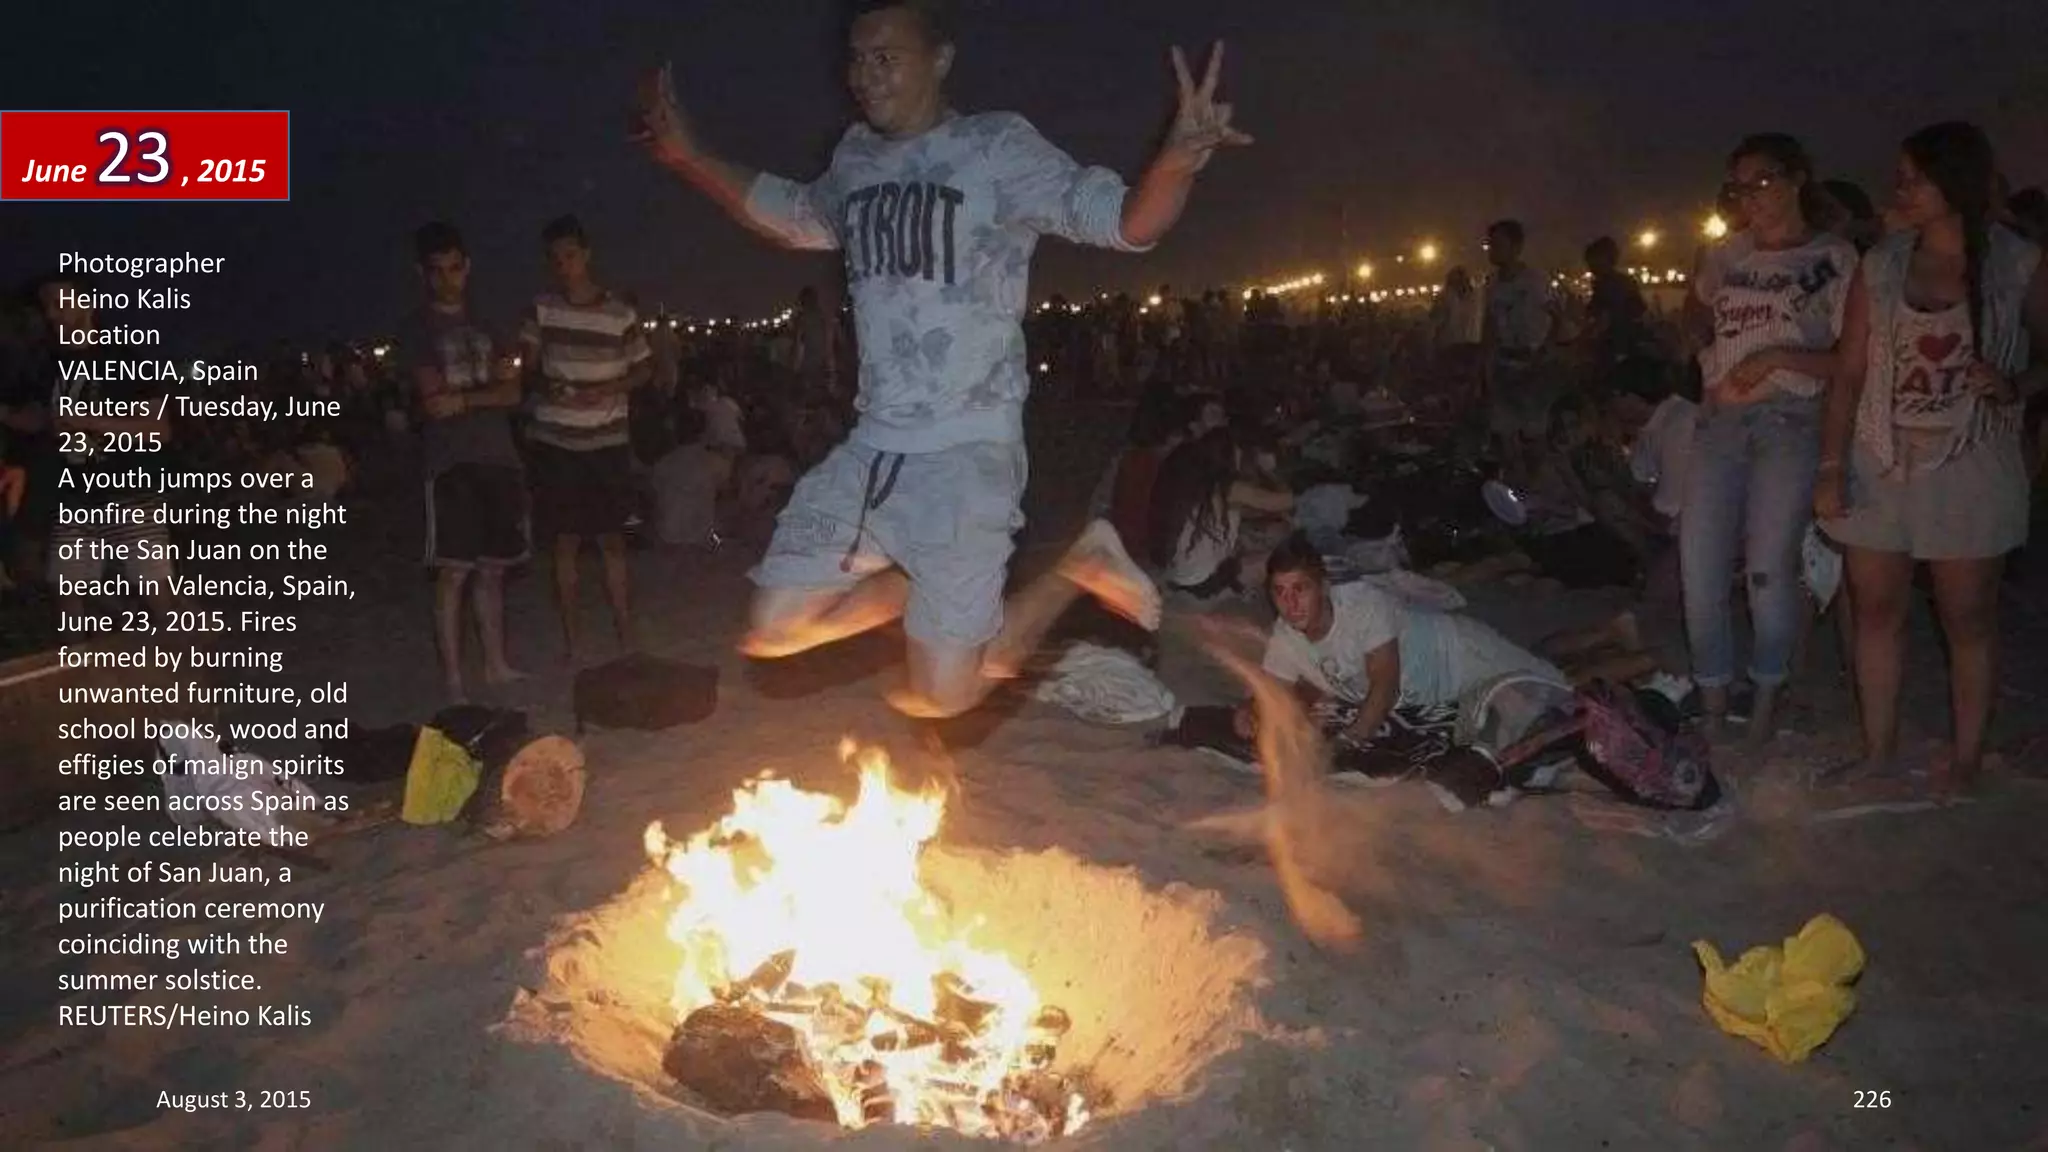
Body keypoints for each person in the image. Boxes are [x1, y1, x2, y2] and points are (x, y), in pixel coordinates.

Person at [638, 0, 1250, 716]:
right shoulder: (855, 158)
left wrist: (1176, 159)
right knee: (774, 632)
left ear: (941, 60)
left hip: (967, 455)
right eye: (856, 60)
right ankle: (915, 586)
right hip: (873, 451)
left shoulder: (995, 150)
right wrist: (689, 158)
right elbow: (790, 212)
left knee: (941, 699)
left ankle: (1082, 562)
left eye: (885, 57)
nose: (865, 77)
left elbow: (1123, 222)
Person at [1816, 122, 2048, 794]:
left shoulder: (2017, 264)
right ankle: (1878, 751)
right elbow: (1850, 374)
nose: (1902, 189)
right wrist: (1831, 467)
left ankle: (1968, 756)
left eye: (1915, 177)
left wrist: (2015, 384)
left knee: (1966, 618)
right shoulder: (1883, 264)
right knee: (1877, 608)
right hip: (1882, 457)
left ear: (1957, 182)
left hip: (1971, 460)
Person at [1683, 133, 1858, 742]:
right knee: (1699, 566)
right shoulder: (1727, 255)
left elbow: (1853, 361)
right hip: (1719, 423)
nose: (1750, 197)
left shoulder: (1834, 258)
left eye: (1762, 181)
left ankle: (1764, 700)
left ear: (1797, 179)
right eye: (1740, 186)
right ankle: (1710, 703)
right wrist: (1708, 356)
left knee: (1767, 570)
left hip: (1788, 420)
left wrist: (1779, 355)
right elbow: (1695, 311)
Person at [1167, 534, 1565, 797]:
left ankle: (1615, 638)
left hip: (1463, 656)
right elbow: (1274, 690)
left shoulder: (1362, 608)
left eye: (1300, 590)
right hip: (1446, 697)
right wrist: (1249, 710)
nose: (1290, 604)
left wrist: (1346, 743)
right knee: (1534, 692)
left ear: (1322, 587)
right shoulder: (1286, 634)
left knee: (1560, 691)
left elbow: (1384, 687)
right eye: (1280, 593)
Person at [518, 214, 652, 663]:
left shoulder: (619, 313)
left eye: (570, 255)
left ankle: (625, 632)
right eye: (555, 259)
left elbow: (643, 367)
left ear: (586, 255)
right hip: (556, 442)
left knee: (612, 540)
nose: (564, 265)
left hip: (607, 441)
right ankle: (574, 640)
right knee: (566, 541)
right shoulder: (541, 309)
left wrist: (609, 389)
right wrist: (545, 385)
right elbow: (529, 368)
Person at [404, 221, 528, 701]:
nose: (446, 278)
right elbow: (434, 400)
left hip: (498, 456)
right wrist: (486, 394)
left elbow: (512, 391)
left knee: (494, 567)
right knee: (454, 570)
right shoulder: (418, 328)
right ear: (423, 273)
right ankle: (455, 678)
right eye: (436, 270)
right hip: (450, 462)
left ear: (467, 266)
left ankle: (496, 664)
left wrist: (469, 399)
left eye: (454, 268)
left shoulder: (488, 322)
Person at [34, 273, 179, 628]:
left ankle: (197, 665)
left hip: (130, 496)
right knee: (66, 595)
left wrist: (91, 421)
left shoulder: (123, 357)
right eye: (46, 307)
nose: (52, 315)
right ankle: (81, 671)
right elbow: (43, 418)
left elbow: (158, 429)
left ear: (88, 304)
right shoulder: (50, 366)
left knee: (157, 594)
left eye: (59, 303)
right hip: (75, 498)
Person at [1149, 427, 1292, 600]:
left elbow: (1246, 511)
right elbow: (1284, 501)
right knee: (1282, 556)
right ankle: (1236, 591)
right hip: (1204, 585)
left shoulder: (1198, 484)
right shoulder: (1229, 488)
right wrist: (1269, 470)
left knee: (1259, 536)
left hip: (1179, 576)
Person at [1481, 219, 1560, 475]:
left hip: (1533, 367)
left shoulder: (1536, 280)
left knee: (1534, 434)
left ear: (1516, 247)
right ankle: (1518, 487)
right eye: (1490, 244)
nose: (1492, 250)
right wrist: (1486, 365)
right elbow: (1490, 325)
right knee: (1505, 433)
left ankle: (1538, 484)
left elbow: (1557, 317)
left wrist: (1545, 349)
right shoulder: (1492, 284)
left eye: (1499, 244)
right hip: (1505, 365)